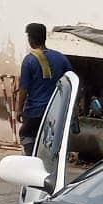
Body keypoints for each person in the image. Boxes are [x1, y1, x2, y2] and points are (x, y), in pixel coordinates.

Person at [15, 23, 72, 156]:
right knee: (49, 141)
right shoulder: (61, 58)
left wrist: (19, 109)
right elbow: (70, 80)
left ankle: (31, 160)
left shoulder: (29, 60)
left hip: (34, 111)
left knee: (26, 135)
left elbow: (24, 88)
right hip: (54, 111)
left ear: (31, 39)